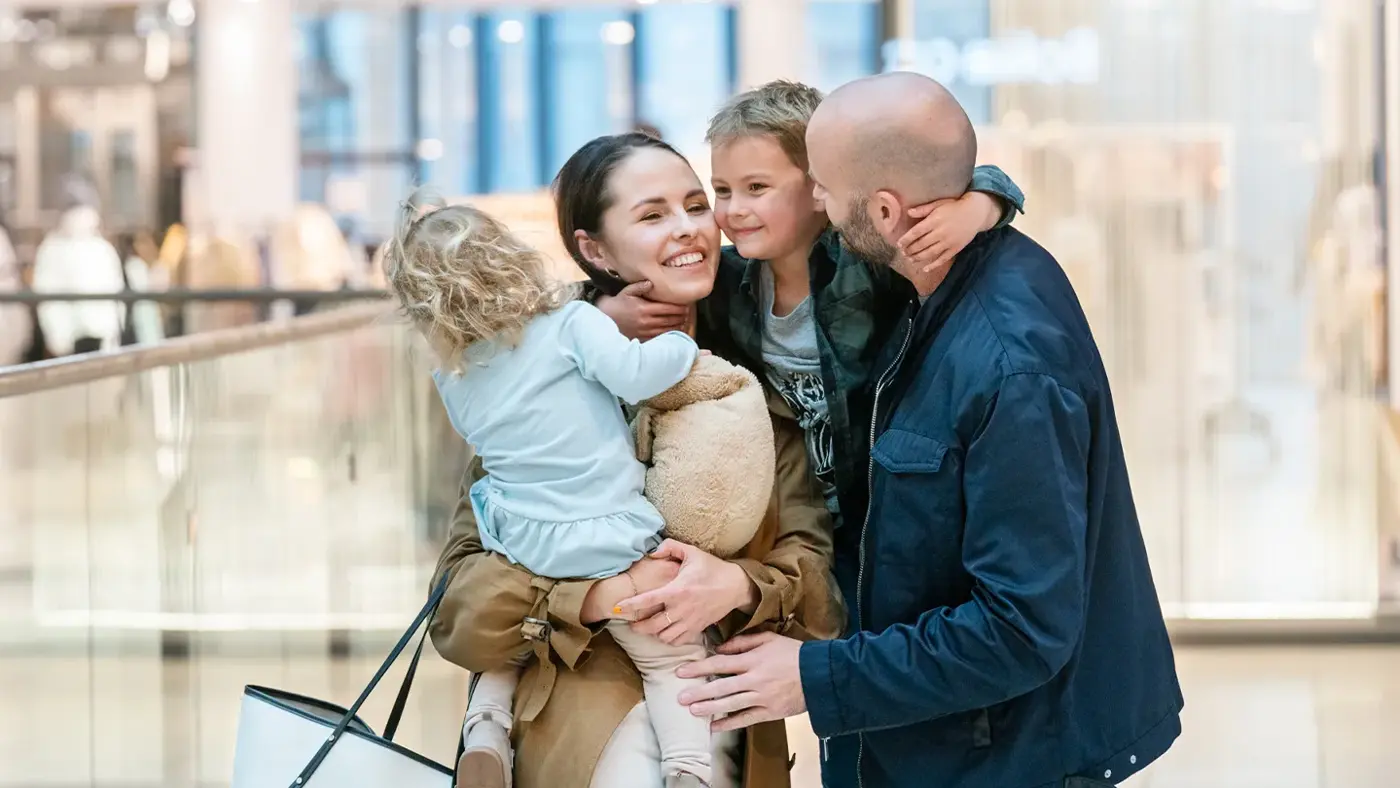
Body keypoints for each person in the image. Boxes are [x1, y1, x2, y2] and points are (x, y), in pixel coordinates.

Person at [675, 73, 1183, 787]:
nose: (816, 202)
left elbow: (1021, 629)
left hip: (1005, 744)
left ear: (883, 210)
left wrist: (816, 677)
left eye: (818, 185)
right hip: (906, 687)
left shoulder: (1006, 363)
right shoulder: (931, 274)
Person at [428, 131, 847, 788]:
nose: (688, 230)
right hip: (578, 745)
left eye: (695, 205)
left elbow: (823, 586)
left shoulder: (748, 385)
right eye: (652, 215)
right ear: (594, 249)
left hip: (725, 741)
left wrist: (736, 585)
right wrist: (591, 596)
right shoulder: (540, 391)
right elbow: (459, 613)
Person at [381, 192, 717, 788]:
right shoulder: (570, 325)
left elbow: (485, 441)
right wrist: (681, 346)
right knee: (674, 660)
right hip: (609, 534)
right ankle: (688, 769)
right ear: (511, 258)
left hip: (522, 541)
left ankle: (485, 732)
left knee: (512, 645)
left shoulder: (453, 376)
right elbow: (637, 373)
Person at [595, 80, 1023, 529]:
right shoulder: (724, 279)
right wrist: (607, 314)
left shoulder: (866, 264)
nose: (733, 210)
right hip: (794, 517)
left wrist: (979, 208)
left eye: (756, 188)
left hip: (880, 514)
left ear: (821, 185)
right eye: (721, 191)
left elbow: (975, 177)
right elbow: (582, 295)